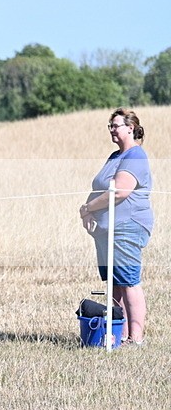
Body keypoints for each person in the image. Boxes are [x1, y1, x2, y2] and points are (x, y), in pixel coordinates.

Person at [79, 108, 153, 345]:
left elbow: (119, 191)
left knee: (128, 281)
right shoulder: (114, 156)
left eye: (116, 125)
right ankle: (118, 335)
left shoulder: (135, 156)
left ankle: (136, 338)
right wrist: (86, 210)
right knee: (114, 283)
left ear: (130, 128)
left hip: (127, 226)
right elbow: (101, 188)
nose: (112, 129)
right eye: (109, 126)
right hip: (106, 229)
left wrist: (90, 207)